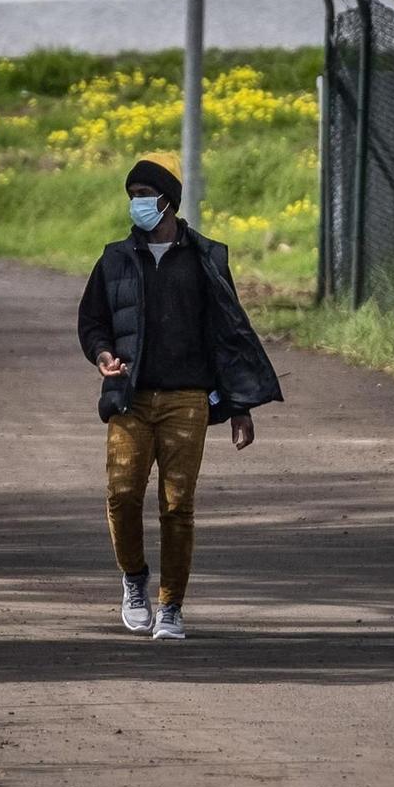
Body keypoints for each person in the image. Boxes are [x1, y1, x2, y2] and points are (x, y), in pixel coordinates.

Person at [78, 159, 283, 641]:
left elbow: (228, 336)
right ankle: (134, 580)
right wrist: (103, 354)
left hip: (187, 400)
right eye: (132, 193)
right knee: (123, 495)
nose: (138, 202)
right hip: (129, 398)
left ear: (169, 199)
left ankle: (170, 605)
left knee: (177, 504)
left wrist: (239, 406)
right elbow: (92, 322)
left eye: (146, 192)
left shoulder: (207, 259)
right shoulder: (113, 260)